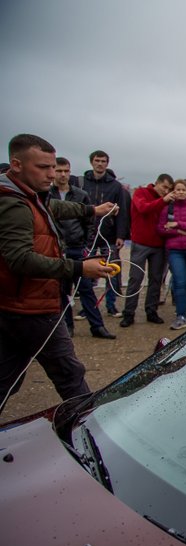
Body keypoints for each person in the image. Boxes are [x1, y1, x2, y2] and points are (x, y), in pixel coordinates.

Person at [0, 134, 118, 412]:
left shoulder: (27, 195)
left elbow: (53, 207)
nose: (52, 174)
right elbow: (20, 260)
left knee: (5, 379)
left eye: (53, 167)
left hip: (15, 305)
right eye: (43, 167)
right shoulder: (13, 203)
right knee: (70, 375)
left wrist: (92, 210)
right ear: (16, 164)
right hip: (32, 308)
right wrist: (79, 268)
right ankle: (90, 426)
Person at [49, 157, 114, 339]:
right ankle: (67, 326)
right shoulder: (46, 195)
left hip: (77, 247)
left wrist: (86, 243)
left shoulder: (80, 194)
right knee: (62, 291)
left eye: (66, 171)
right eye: (59, 170)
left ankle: (97, 326)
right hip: (57, 249)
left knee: (86, 289)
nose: (63, 175)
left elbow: (89, 222)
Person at [80, 149, 131, 317]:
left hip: (108, 235)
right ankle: (87, 307)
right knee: (86, 271)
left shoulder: (115, 186)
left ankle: (111, 305)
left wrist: (121, 235)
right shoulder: (82, 183)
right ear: (92, 162)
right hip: (87, 235)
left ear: (107, 164)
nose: (100, 164)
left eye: (103, 161)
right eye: (97, 160)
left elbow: (122, 212)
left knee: (111, 271)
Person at [121, 173, 174, 327]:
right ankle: (128, 313)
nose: (165, 191)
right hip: (141, 243)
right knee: (135, 279)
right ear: (156, 183)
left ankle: (151, 311)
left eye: (168, 189)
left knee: (156, 280)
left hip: (159, 244)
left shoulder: (167, 201)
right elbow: (144, 208)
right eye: (164, 187)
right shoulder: (141, 193)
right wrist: (163, 200)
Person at [157, 180, 186, 330]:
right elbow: (161, 229)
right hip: (175, 250)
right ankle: (180, 315)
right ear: (173, 191)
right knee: (180, 281)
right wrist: (180, 232)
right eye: (177, 189)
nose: (180, 192)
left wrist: (177, 224)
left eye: (183, 189)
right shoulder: (167, 209)